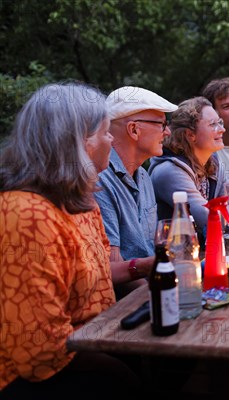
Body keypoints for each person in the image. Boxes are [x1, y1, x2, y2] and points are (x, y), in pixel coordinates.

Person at [0, 82, 140, 398]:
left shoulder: (82, 200)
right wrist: (122, 368)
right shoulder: (26, 215)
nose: (112, 140)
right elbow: (40, 353)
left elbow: (99, 272)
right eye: (106, 132)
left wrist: (147, 269)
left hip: (94, 347)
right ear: (79, 141)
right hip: (34, 378)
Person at [94, 86, 177, 297]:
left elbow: (150, 248)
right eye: (161, 124)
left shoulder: (144, 176)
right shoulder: (99, 181)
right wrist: (164, 296)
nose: (167, 132)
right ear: (133, 130)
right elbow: (112, 272)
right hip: (126, 308)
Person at [149, 96, 227, 241]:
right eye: (213, 124)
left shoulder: (214, 163)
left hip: (202, 252)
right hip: (174, 258)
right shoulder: (170, 171)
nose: (222, 129)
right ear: (190, 135)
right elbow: (207, 218)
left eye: (220, 122)